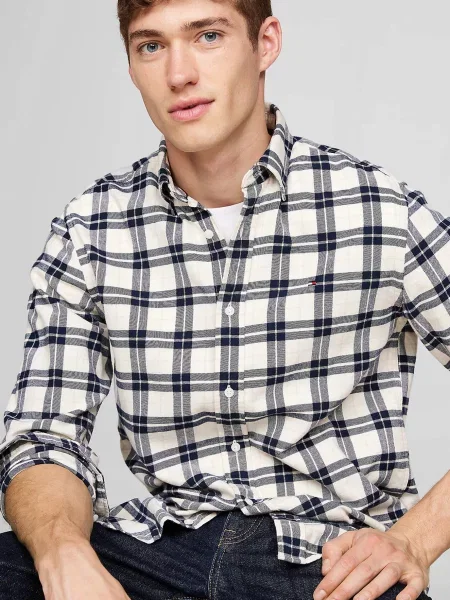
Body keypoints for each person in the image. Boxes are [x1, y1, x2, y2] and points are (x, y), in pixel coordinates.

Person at [0, 0, 447, 598]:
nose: (178, 73)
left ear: (266, 43)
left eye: (207, 36)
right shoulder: (91, 229)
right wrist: (63, 552)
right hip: (160, 551)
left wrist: (414, 540)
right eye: (151, 45)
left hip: (326, 561)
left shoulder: (378, 209)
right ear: (131, 65)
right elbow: (44, 437)